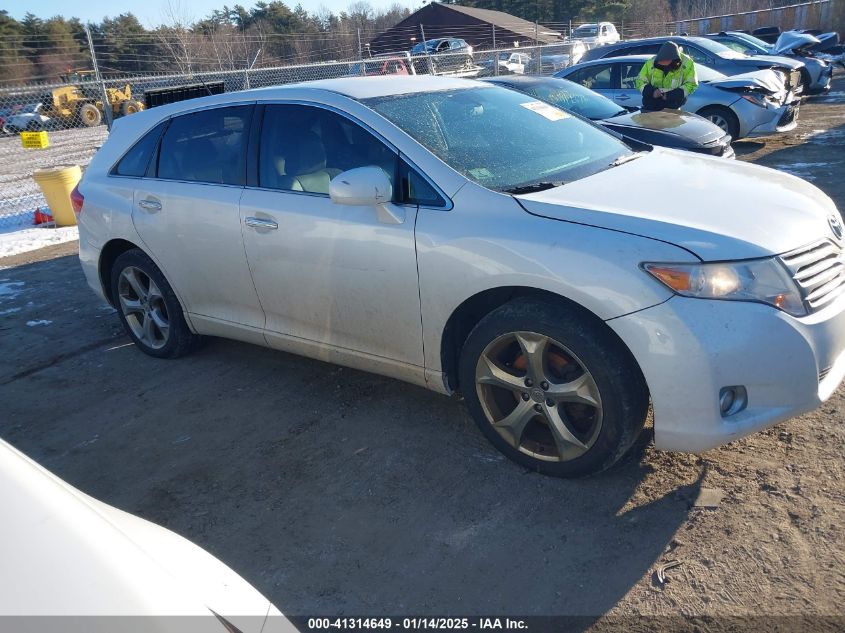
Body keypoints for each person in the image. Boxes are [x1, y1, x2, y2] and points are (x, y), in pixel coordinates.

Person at [635, 41, 698, 111]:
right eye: (661, 64)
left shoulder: (687, 63)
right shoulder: (651, 63)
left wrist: (671, 95)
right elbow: (640, 81)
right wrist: (652, 92)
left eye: (666, 64)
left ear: (674, 61)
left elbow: (691, 84)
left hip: (673, 108)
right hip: (651, 107)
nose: (664, 67)